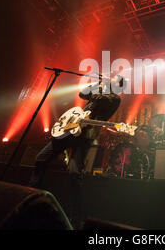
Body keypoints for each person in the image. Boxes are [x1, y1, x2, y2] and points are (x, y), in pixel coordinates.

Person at [27, 76, 123, 227]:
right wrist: (97, 83)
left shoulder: (114, 99)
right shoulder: (100, 90)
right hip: (70, 129)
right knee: (41, 158)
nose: (110, 80)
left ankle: (75, 217)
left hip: (85, 136)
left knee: (74, 172)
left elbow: (100, 99)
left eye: (114, 80)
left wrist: (102, 85)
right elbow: (83, 93)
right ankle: (30, 195)